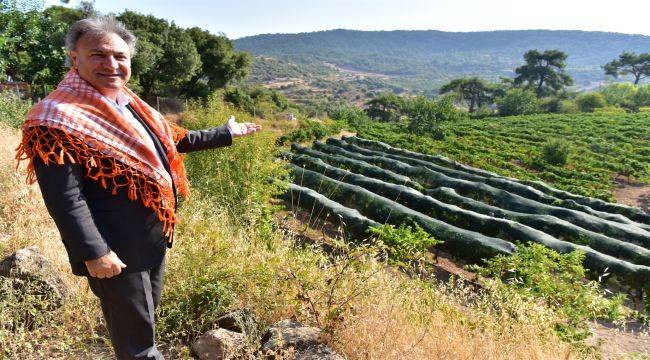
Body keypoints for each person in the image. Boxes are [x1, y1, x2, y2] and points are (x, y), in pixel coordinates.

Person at [14, 16, 261, 359]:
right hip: (115, 247)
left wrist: (226, 133)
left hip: (151, 239)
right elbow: (64, 196)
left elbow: (173, 142)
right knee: (141, 343)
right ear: (75, 58)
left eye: (120, 56)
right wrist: (94, 252)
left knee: (137, 321)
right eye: (99, 55)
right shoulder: (55, 117)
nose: (111, 64)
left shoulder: (128, 103)